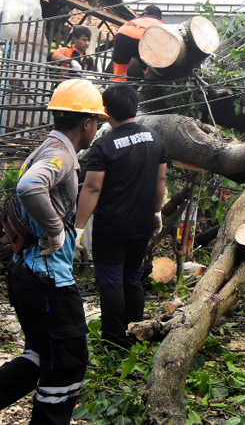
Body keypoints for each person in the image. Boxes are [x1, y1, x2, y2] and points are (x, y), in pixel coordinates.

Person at [0, 78, 103, 425]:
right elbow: (29, 186)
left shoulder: (46, 148)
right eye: (97, 120)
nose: (97, 127)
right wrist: (55, 230)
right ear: (87, 123)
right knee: (68, 363)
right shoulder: (59, 155)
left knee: (41, 353)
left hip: (28, 274)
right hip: (48, 280)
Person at [74, 83, 168, 349]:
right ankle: (136, 333)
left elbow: (92, 187)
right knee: (132, 276)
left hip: (112, 225)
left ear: (105, 111)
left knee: (111, 279)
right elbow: (161, 179)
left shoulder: (104, 145)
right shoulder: (155, 139)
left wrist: (79, 227)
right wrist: (156, 211)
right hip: (143, 223)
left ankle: (114, 339)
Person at [110, 6, 165, 80]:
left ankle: (117, 85)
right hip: (143, 39)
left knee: (119, 73)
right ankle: (149, 83)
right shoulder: (162, 24)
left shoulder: (135, 20)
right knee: (149, 72)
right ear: (159, 16)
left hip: (123, 33)